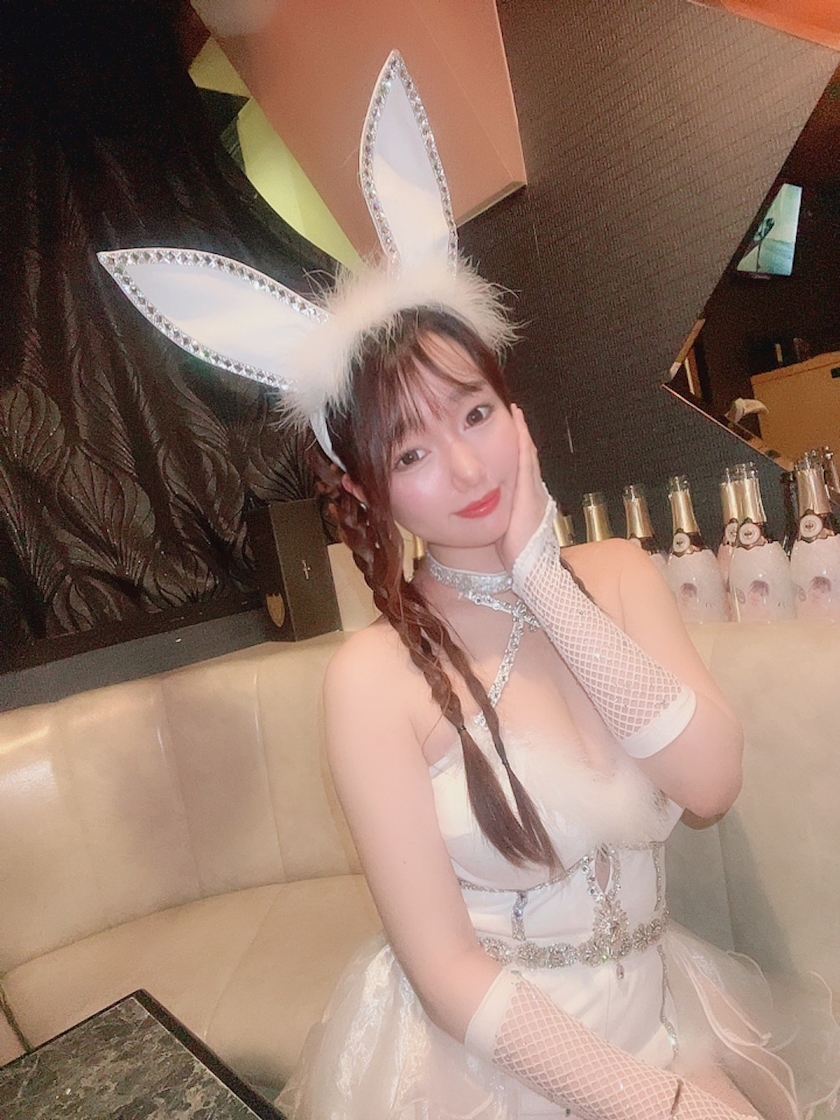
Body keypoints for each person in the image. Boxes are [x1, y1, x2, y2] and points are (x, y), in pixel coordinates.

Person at [97, 50, 838, 1120]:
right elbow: (445, 971)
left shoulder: (619, 576)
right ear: (367, 491)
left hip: (670, 1015)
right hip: (501, 1070)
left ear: (514, 412)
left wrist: (543, 577)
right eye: (410, 451)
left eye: (475, 412)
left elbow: (711, 783)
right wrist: (655, 1105)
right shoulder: (370, 681)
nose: (463, 464)